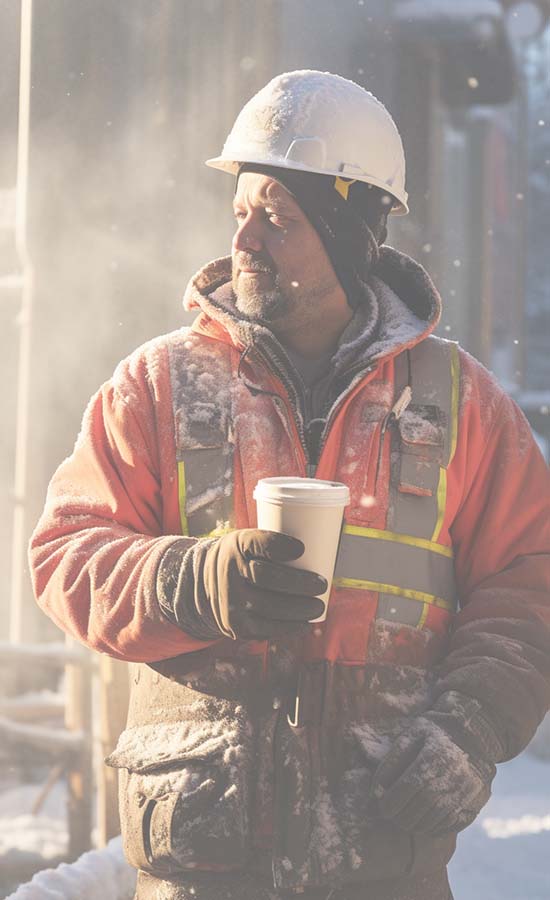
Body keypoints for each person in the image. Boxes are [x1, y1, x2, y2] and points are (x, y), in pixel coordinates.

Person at [29, 70, 550, 900]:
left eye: (277, 218)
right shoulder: (159, 385)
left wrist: (471, 727)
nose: (247, 241)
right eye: (241, 213)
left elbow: (530, 584)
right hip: (202, 857)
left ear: (349, 234)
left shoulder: (462, 407)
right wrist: (189, 581)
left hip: (381, 853)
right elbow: (63, 554)